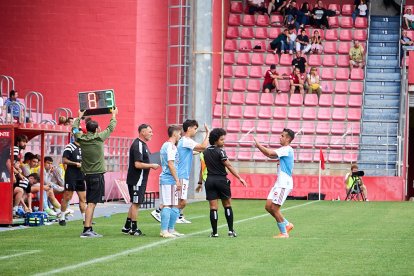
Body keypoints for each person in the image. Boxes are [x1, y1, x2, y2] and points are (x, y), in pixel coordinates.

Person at [73, 107, 118, 238]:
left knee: (91, 203)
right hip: (97, 175)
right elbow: (111, 127)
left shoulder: (81, 138)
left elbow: (75, 130)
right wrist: (113, 114)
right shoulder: (99, 138)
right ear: (97, 129)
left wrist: (78, 117)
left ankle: (89, 228)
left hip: (87, 175)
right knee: (92, 203)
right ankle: (87, 229)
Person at [202, 128, 247, 237]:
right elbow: (229, 165)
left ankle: (215, 232)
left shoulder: (205, 151)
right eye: (222, 140)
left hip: (210, 180)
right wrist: (239, 178)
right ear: (215, 141)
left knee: (213, 207)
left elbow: (203, 167)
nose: (224, 141)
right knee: (227, 205)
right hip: (221, 180)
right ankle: (231, 231)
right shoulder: (220, 151)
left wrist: (200, 182)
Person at [253, 128, 296, 238]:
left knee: (275, 208)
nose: (280, 137)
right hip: (279, 183)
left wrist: (258, 145)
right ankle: (287, 224)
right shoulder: (284, 149)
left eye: (282, 136)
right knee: (268, 206)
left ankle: (284, 233)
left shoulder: (287, 149)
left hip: (284, 184)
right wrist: (261, 148)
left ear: (288, 138)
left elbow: (269, 152)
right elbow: (270, 155)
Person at [122, 124, 160, 236]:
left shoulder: (143, 145)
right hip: (137, 179)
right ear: (142, 132)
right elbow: (137, 164)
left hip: (140, 179)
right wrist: (152, 165)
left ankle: (127, 227)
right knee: (136, 203)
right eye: (149, 131)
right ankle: (134, 229)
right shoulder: (138, 144)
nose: (152, 134)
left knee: (135, 203)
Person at [176, 120, 209, 223]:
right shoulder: (186, 140)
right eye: (195, 129)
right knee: (182, 202)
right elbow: (203, 147)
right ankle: (162, 211)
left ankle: (177, 217)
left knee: (180, 200)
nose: (196, 131)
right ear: (189, 129)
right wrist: (208, 133)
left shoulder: (185, 141)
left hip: (182, 174)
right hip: (181, 174)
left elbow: (195, 151)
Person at [158, 125, 182, 238]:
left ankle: (170, 229)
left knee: (173, 204)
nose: (180, 136)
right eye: (179, 134)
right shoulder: (171, 147)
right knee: (167, 204)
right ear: (175, 133)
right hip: (169, 179)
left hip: (168, 178)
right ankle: (164, 230)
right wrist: (177, 180)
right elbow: (171, 164)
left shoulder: (165, 145)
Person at [58, 139, 86, 226]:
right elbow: (64, 160)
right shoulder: (70, 146)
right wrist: (75, 163)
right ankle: (62, 218)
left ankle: (85, 220)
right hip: (71, 175)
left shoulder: (85, 147)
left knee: (83, 198)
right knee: (67, 197)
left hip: (81, 175)